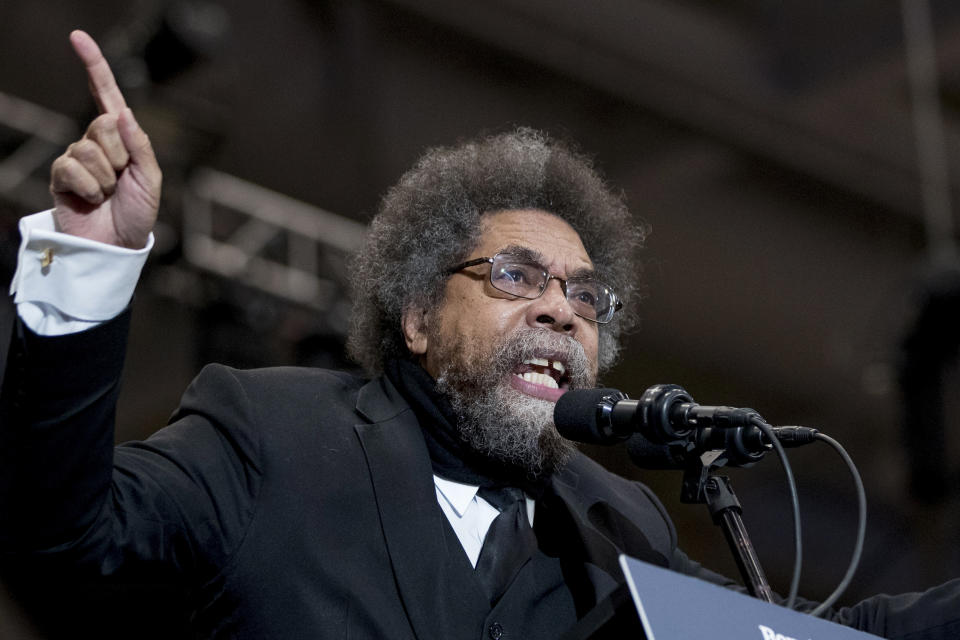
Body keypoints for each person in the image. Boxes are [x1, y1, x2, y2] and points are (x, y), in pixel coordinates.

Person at [2, 30, 959, 640]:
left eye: (587, 298)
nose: (560, 310)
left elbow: (805, 638)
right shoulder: (273, 432)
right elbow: (63, 542)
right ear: (417, 315)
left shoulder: (619, 524)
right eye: (516, 276)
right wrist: (86, 267)